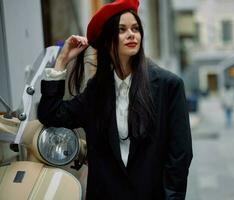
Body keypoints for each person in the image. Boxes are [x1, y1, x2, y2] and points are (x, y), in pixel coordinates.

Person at [37, 0, 193, 199]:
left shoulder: (168, 86)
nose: (131, 34)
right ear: (107, 41)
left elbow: (180, 154)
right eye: (122, 29)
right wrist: (61, 62)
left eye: (135, 28)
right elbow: (51, 114)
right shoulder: (97, 91)